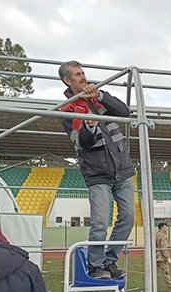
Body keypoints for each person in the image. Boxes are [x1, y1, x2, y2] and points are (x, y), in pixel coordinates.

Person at [59, 60, 135, 280]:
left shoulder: (100, 96)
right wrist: (89, 127)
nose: (83, 77)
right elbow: (82, 144)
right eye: (77, 75)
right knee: (100, 222)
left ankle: (110, 261)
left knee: (128, 217)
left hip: (122, 169)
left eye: (83, 73)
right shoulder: (68, 109)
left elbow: (124, 112)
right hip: (97, 174)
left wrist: (100, 96)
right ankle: (95, 265)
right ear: (67, 80)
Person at [155, 222, 171, 292]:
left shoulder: (156, 235)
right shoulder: (163, 236)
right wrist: (167, 257)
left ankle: (151, 288)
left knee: (153, 274)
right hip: (161, 257)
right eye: (165, 227)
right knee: (166, 273)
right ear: (162, 227)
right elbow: (163, 248)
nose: (166, 228)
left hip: (155, 256)